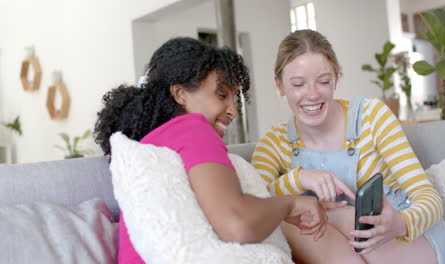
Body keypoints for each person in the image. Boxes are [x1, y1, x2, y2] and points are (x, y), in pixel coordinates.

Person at [94, 37, 345, 263]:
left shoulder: (151, 144)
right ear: (180, 93)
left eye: (234, 99)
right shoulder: (193, 129)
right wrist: (291, 204)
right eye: (221, 95)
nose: (233, 110)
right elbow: (237, 224)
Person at [251, 29, 445, 264]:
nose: (312, 95)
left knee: (314, 215)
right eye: (298, 84)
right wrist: (298, 179)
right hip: (342, 249)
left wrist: (401, 224)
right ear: (280, 85)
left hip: (406, 242)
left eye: (324, 81)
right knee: (290, 220)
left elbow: (430, 200)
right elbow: (252, 208)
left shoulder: (372, 115)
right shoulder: (273, 143)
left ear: (336, 78)